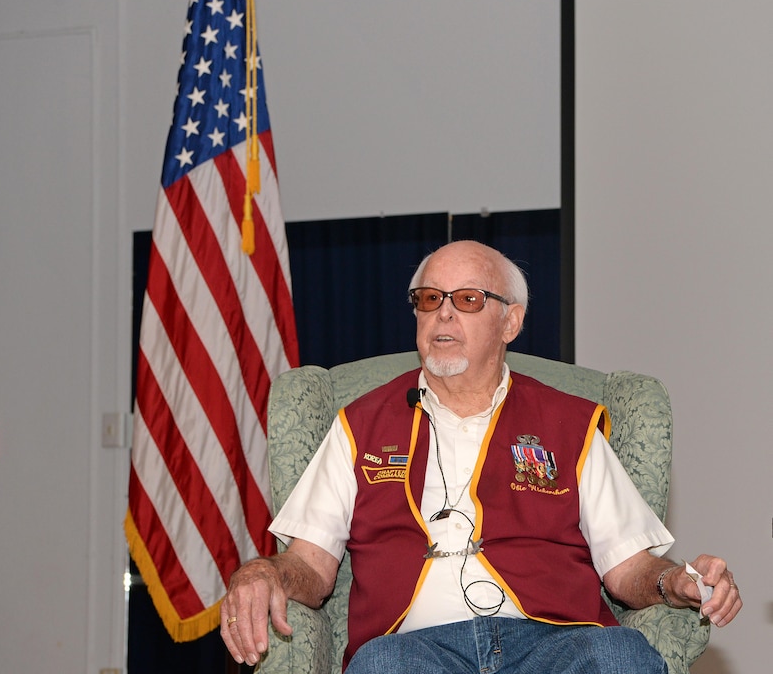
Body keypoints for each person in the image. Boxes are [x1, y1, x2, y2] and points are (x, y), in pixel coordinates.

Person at [221, 240, 742, 673]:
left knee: (617, 655)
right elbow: (310, 566)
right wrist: (261, 573)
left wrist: (676, 582)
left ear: (510, 321)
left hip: (552, 643)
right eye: (429, 299)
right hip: (415, 650)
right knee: (381, 667)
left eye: (468, 299)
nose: (443, 312)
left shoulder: (571, 423)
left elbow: (629, 569)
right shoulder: (358, 424)